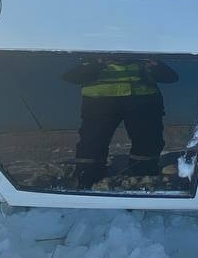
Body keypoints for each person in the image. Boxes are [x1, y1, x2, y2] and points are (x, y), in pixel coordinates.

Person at [61, 56, 179, 188]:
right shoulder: (92, 43)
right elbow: (74, 75)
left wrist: (152, 65)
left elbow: (169, 76)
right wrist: (98, 63)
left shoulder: (144, 42)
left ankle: (143, 175)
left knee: (148, 140)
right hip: (101, 99)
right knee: (92, 141)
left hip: (141, 98)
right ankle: (87, 177)